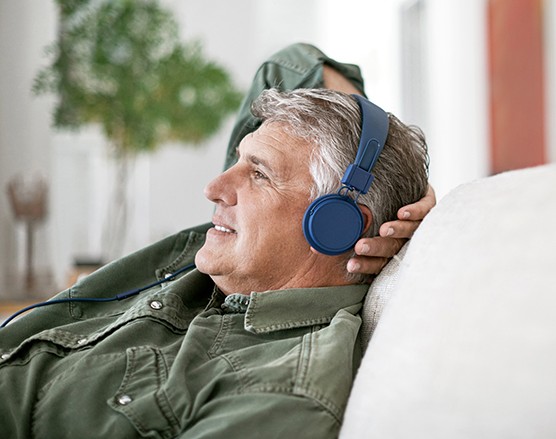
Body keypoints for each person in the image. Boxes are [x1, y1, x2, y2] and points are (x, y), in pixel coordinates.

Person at [0, 44, 432, 438]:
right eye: (240, 160)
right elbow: (290, 63)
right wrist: (379, 153)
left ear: (337, 225)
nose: (214, 187)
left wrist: (380, 178)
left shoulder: (277, 392)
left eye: (259, 173)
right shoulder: (231, 253)